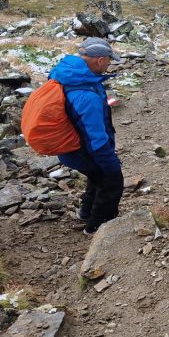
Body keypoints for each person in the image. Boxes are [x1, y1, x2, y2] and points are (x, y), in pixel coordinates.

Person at [48, 37, 123, 235]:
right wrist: (110, 163)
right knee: (111, 183)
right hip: (83, 150)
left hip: (72, 148)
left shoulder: (71, 76)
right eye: (109, 60)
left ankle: (86, 213)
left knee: (96, 177)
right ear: (100, 60)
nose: (109, 64)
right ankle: (98, 228)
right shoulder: (86, 95)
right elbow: (95, 139)